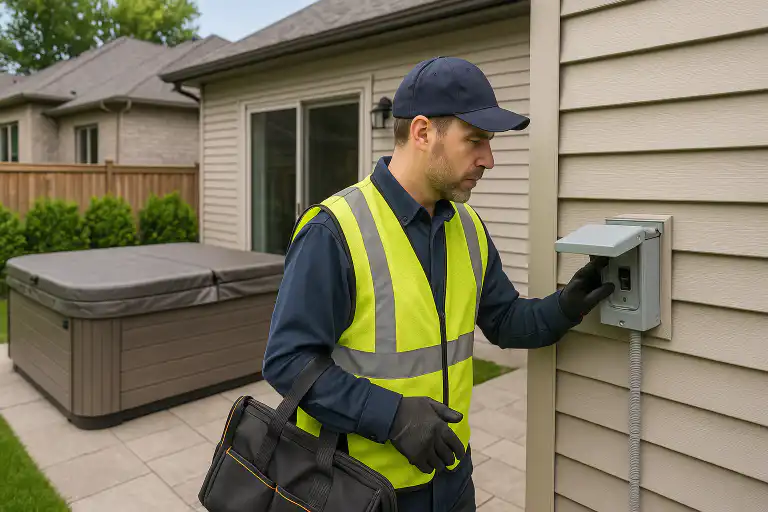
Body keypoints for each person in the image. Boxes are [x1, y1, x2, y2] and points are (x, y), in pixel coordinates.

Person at [262, 56, 614, 512]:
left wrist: (565, 306)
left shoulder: (467, 227)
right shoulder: (334, 231)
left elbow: (505, 320)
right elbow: (287, 361)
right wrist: (392, 416)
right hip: (363, 490)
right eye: (476, 140)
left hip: (452, 481)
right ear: (423, 132)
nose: (489, 160)